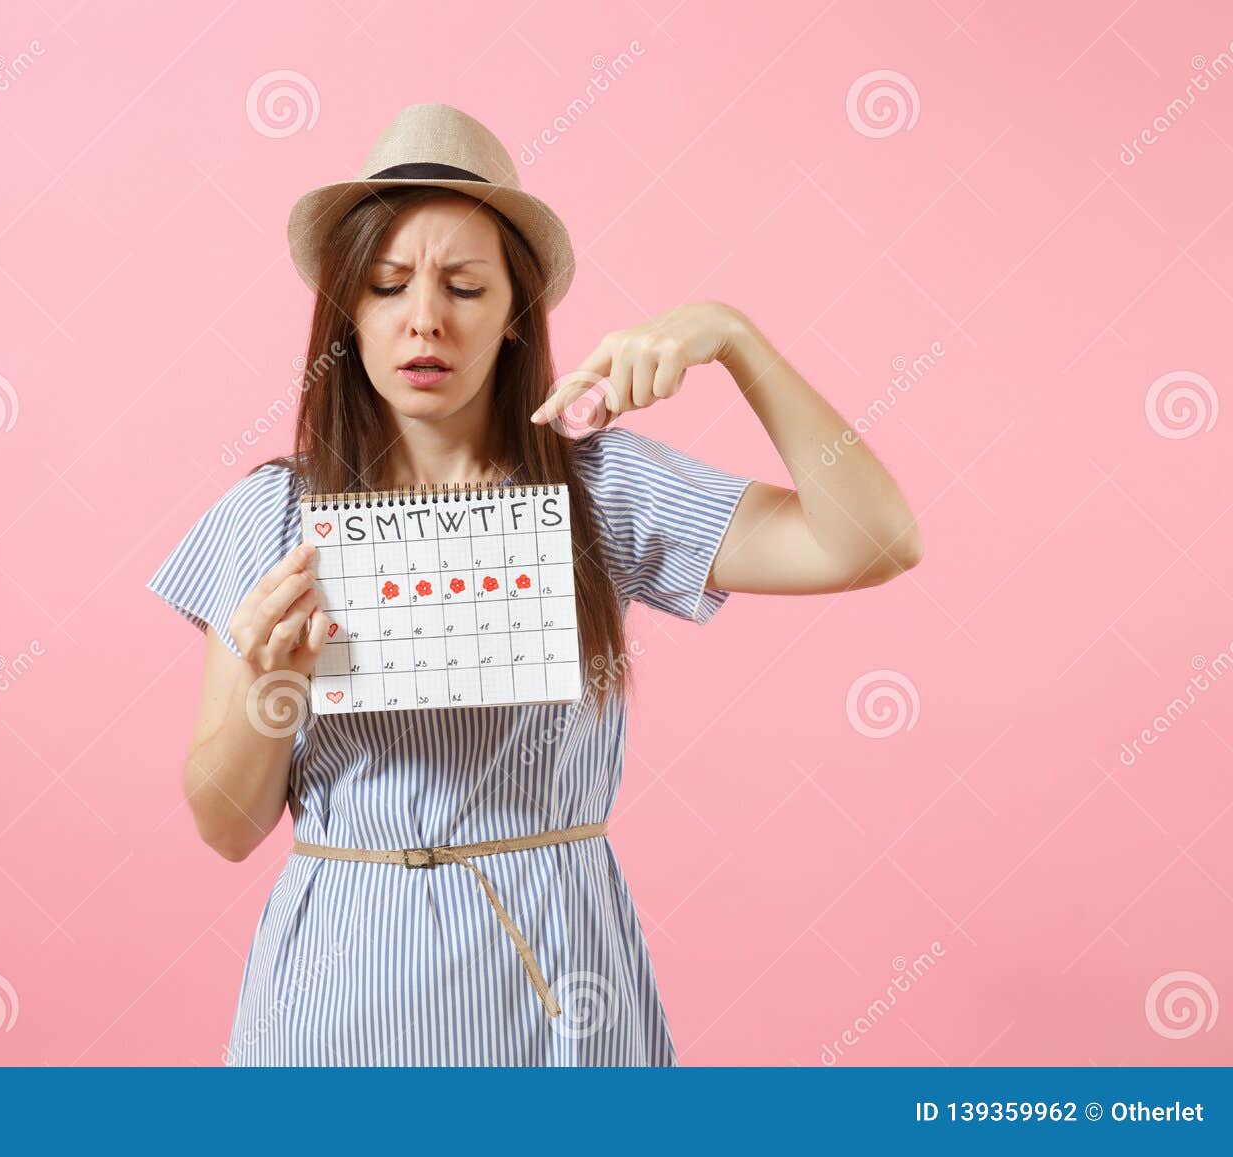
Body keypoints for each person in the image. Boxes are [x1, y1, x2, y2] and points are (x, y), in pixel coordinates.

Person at [146, 103, 923, 1065]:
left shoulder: (597, 484)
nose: (424, 316)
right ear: (351, 312)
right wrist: (278, 684)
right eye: (389, 286)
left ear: (516, 315)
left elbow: (873, 541)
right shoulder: (271, 515)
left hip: (557, 982)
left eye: (465, 287)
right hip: (336, 995)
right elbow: (225, 827)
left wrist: (733, 338)